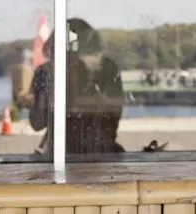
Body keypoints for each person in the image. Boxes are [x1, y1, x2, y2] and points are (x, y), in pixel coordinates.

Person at [28, 18, 125, 156]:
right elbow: (37, 122)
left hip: (88, 151)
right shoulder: (45, 73)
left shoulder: (106, 69)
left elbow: (113, 113)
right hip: (73, 152)